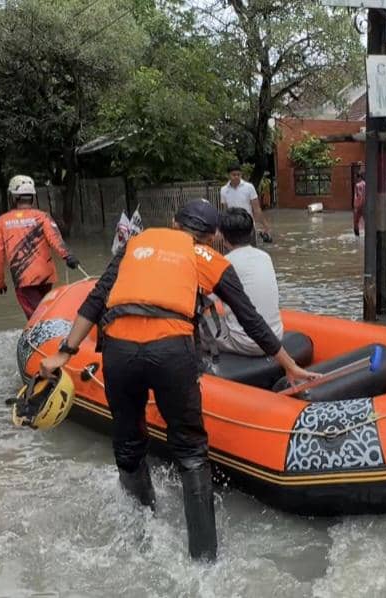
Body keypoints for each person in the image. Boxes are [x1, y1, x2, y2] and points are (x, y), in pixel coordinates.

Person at [39, 199, 317, 562]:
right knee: (189, 452)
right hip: (171, 353)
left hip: (119, 353)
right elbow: (251, 320)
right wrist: (289, 365)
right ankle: (203, 560)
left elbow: (95, 299)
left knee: (127, 445)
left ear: (172, 223)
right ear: (213, 236)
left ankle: (138, 537)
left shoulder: (135, 245)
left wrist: (65, 352)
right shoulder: (209, 259)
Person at [0, 175, 80, 318]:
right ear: (32, 198)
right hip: (46, 278)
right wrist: (67, 256)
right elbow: (55, 239)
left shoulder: (2, 221)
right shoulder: (42, 216)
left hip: (23, 279)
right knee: (46, 311)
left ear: (13, 198)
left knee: (36, 318)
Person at [214, 208, 282, 356]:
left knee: (197, 324)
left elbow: (204, 300)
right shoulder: (265, 257)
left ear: (222, 236)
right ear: (251, 233)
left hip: (246, 344)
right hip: (275, 337)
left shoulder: (223, 264)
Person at [219, 164, 271, 243]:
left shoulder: (249, 187)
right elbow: (225, 211)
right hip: (232, 227)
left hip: (248, 225)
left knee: (251, 250)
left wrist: (265, 225)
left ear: (241, 175)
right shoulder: (224, 190)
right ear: (228, 175)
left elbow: (256, 208)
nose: (236, 177)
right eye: (234, 175)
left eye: (238, 174)